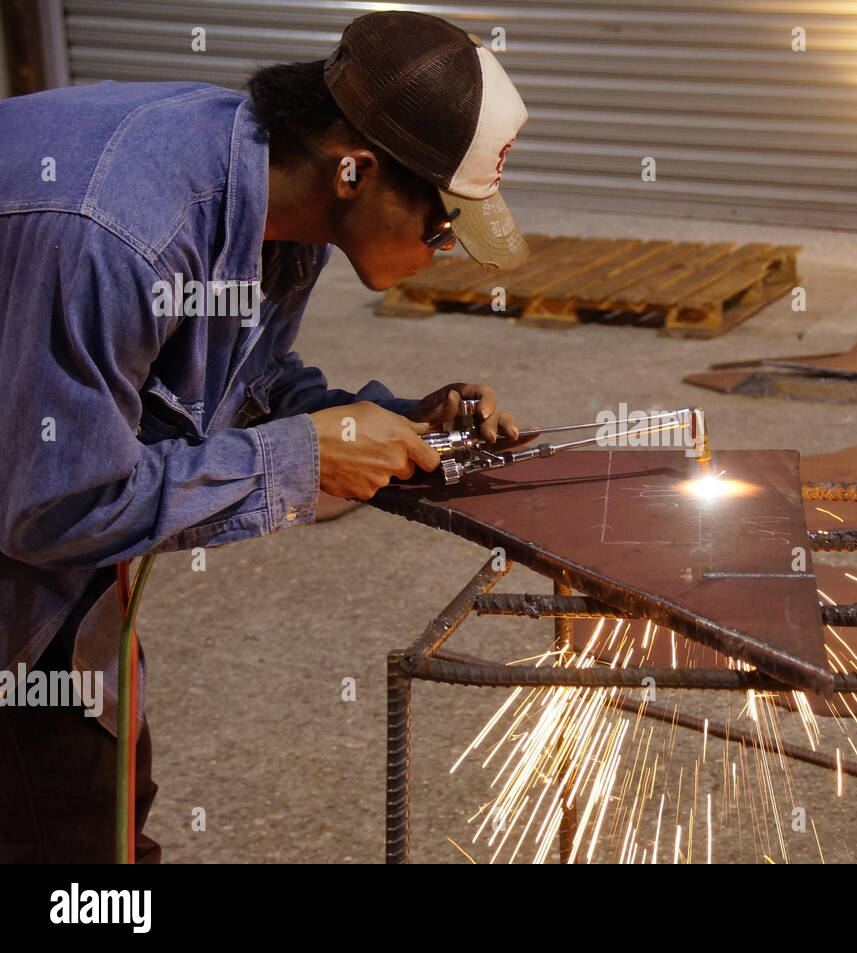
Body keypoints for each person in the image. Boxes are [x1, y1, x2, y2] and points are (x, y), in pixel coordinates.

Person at [0, 11, 529, 862]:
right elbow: (57, 506)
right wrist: (309, 454)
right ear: (354, 167)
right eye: (440, 226)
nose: (443, 251)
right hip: (27, 511)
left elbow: (230, 383)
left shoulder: (276, 208)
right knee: (67, 829)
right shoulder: (122, 236)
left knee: (105, 792)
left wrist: (385, 416)